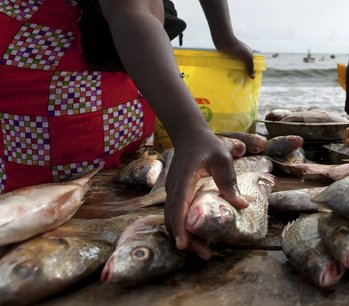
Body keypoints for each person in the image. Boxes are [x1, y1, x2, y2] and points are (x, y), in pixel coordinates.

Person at [0, 0, 255, 259]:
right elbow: (132, 7)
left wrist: (223, 35)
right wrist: (191, 131)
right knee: (38, 226)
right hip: (55, 78)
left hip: (126, 68)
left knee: (119, 189)